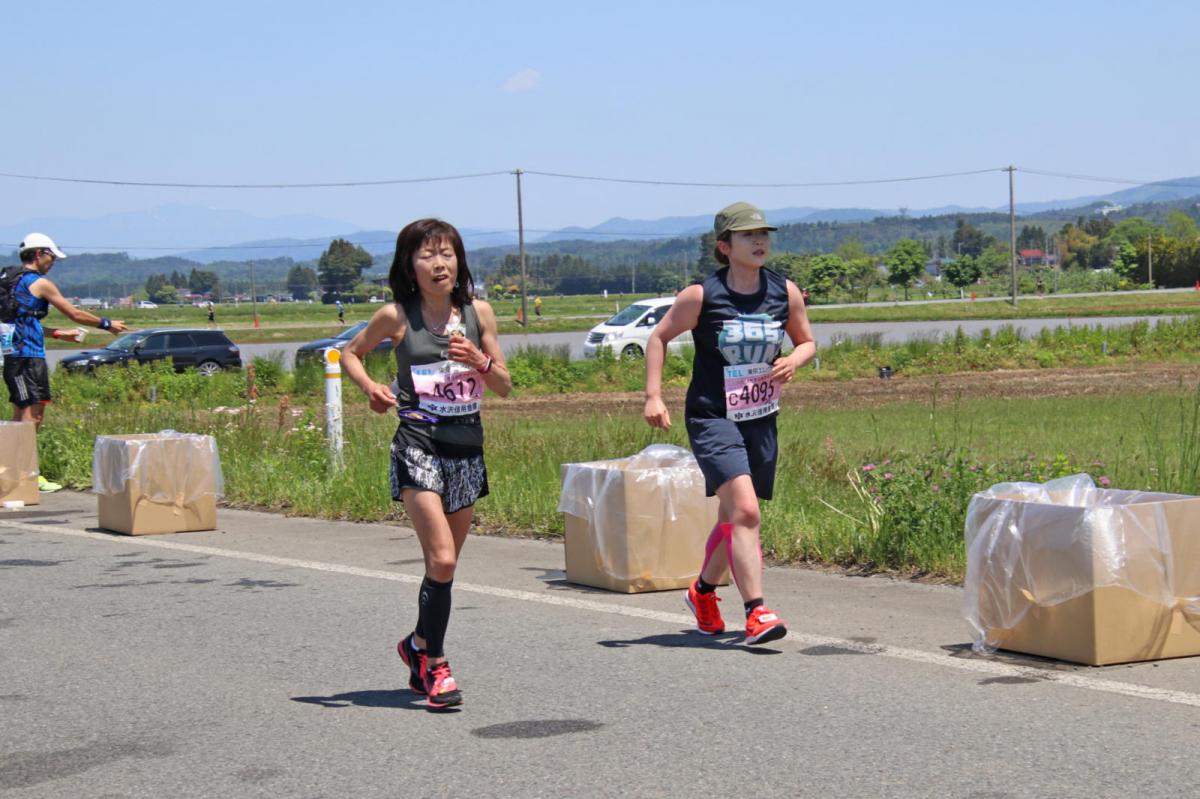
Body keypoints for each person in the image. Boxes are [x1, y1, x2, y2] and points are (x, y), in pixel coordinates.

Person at [341, 218, 511, 708]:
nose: (439, 264)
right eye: (427, 255)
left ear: (459, 262)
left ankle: (417, 644)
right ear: (408, 265)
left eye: (447, 254)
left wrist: (478, 359)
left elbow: (503, 385)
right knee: (441, 558)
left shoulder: (479, 313)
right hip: (417, 445)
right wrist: (371, 388)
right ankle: (436, 666)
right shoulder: (396, 316)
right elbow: (350, 353)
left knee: (445, 567)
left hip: (466, 450)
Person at [643, 203, 816, 645]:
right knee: (746, 511)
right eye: (748, 235)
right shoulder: (702, 295)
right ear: (724, 246)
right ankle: (757, 611)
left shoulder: (784, 291)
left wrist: (794, 360)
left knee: (732, 515)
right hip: (712, 417)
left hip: (760, 417)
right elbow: (659, 337)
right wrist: (653, 396)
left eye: (764, 234)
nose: (760, 241)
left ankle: (702, 592)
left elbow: (807, 341)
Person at [3, 233, 128, 491]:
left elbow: (25, 322)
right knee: (32, 416)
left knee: (21, 414)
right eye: (52, 257)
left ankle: (14, 472)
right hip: (27, 357)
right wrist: (107, 324)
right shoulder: (39, 283)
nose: (53, 263)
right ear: (39, 254)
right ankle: (25, 474)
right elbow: (74, 312)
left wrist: (59, 334)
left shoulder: (13, 281)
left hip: (16, 355)